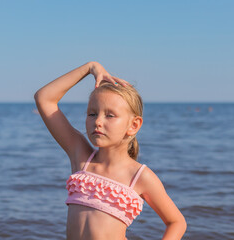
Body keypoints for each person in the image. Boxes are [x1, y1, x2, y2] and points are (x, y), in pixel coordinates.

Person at [34, 62, 187, 240]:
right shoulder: (82, 158)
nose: (97, 121)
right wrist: (91, 67)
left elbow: (176, 222)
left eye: (110, 115)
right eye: (92, 114)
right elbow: (44, 98)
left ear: (133, 125)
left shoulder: (139, 176)